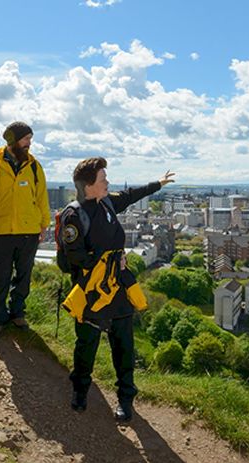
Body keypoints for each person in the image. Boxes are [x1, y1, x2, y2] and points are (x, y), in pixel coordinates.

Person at [64, 157, 175, 422]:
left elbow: (130, 194)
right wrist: (106, 260)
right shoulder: (75, 214)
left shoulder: (108, 202)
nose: (108, 183)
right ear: (88, 186)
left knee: (124, 345)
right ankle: (80, 391)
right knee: (87, 345)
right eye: (103, 179)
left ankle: (126, 398)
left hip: (119, 287)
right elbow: (74, 255)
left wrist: (157, 184)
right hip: (92, 291)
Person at [0, 121, 50, 339]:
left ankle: (18, 313)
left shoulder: (35, 166)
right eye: (26, 139)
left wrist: (44, 224)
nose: (29, 143)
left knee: (24, 275)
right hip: (2, 230)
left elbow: (41, 197)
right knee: (1, 276)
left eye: (30, 139)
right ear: (13, 140)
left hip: (29, 230)